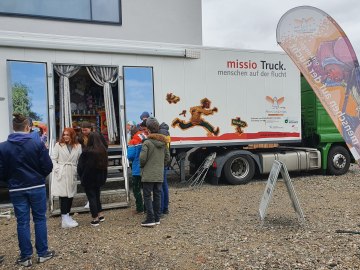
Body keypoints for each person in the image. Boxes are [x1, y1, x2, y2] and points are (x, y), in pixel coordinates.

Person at [0, 113, 55, 267]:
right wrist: (39, 176)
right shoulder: (37, 144)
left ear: (13, 127)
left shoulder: (3, 146)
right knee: (39, 219)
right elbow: (48, 166)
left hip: (16, 188)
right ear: (27, 127)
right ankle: (43, 253)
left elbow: (1, 171)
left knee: (22, 222)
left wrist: (10, 181)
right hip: (36, 186)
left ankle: (25, 257)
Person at [139, 117, 170, 227]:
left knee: (147, 196)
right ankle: (157, 218)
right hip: (159, 173)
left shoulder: (147, 143)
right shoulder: (163, 142)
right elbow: (167, 158)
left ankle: (150, 218)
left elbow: (142, 159)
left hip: (148, 174)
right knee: (157, 195)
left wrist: (143, 166)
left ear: (148, 130)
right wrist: (161, 165)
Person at [51, 128, 82, 228]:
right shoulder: (58, 145)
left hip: (71, 171)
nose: (65, 137)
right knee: (63, 195)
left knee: (70, 195)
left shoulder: (78, 146)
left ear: (72, 135)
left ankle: (67, 215)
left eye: (68, 135)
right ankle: (64, 218)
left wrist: (77, 169)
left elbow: (79, 159)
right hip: (62, 171)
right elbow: (53, 158)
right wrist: (57, 168)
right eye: (64, 135)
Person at [77, 132, 108, 226]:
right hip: (99, 177)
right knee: (97, 196)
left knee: (91, 197)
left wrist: (81, 176)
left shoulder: (86, 151)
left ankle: (95, 218)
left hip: (88, 177)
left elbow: (80, 167)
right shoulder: (103, 150)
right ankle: (100, 214)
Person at [127, 125, 145, 214]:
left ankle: (140, 208)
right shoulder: (147, 137)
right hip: (146, 169)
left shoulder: (133, 141)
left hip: (137, 170)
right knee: (146, 189)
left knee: (136, 189)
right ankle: (147, 207)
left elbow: (130, 156)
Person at [158, 122, 171, 215]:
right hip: (165, 162)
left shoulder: (160, 133)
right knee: (165, 185)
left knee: (160, 186)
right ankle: (165, 207)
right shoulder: (168, 134)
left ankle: (161, 209)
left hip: (160, 162)